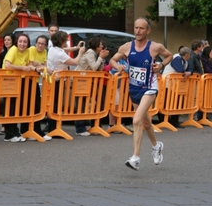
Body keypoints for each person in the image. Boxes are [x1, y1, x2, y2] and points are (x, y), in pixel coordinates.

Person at [109, 17, 172, 171]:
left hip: (149, 88)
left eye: (141, 28)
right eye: (136, 28)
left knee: (136, 120)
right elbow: (112, 59)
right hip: (134, 89)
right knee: (145, 123)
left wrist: (161, 65)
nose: (138, 31)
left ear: (147, 30)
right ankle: (157, 146)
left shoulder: (155, 47)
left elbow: (169, 55)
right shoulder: (126, 47)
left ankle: (136, 158)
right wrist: (118, 67)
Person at [2, 33, 46, 142]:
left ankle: (15, 131)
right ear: (17, 42)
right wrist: (22, 68)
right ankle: (9, 134)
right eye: (20, 41)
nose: (22, 44)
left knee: (17, 107)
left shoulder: (27, 52)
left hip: (20, 81)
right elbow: (8, 65)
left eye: (25, 42)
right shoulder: (13, 49)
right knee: (10, 107)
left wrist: (36, 69)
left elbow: (29, 65)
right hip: (9, 81)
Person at [46, 31, 86, 135]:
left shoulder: (53, 49)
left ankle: (52, 128)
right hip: (57, 80)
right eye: (66, 40)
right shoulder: (59, 54)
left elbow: (64, 49)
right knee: (56, 104)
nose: (67, 41)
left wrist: (75, 48)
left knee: (54, 104)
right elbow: (75, 62)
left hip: (53, 79)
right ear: (61, 41)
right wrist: (80, 52)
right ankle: (54, 129)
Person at [74, 36, 110, 134]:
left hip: (87, 81)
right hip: (80, 80)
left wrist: (102, 59)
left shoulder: (95, 54)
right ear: (97, 45)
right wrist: (101, 58)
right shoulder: (90, 52)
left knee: (85, 103)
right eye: (101, 45)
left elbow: (100, 69)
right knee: (80, 104)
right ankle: (79, 128)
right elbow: (94, 67)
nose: (102, 47)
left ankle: (92, 125)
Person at [160, 46, 191, 127]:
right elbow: (180, 70)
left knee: (176, 102)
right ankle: (163, 120)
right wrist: (186, 72)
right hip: (167, 83)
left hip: (175, 85)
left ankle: (173, 121)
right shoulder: (176, 58)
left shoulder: (185, 61)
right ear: (187, 54)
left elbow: (190, 69)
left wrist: (189, 72)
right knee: (166, 102)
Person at [0, 33, 16, 135]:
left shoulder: (16, 52)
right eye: (5, 40)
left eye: (9, 40)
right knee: (5, 103)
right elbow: (0, 67)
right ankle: (4, 126)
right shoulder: (2, 53)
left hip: (14, 80)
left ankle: (12, 125)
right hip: (5, 80)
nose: (7, 42)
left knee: (13, 104)